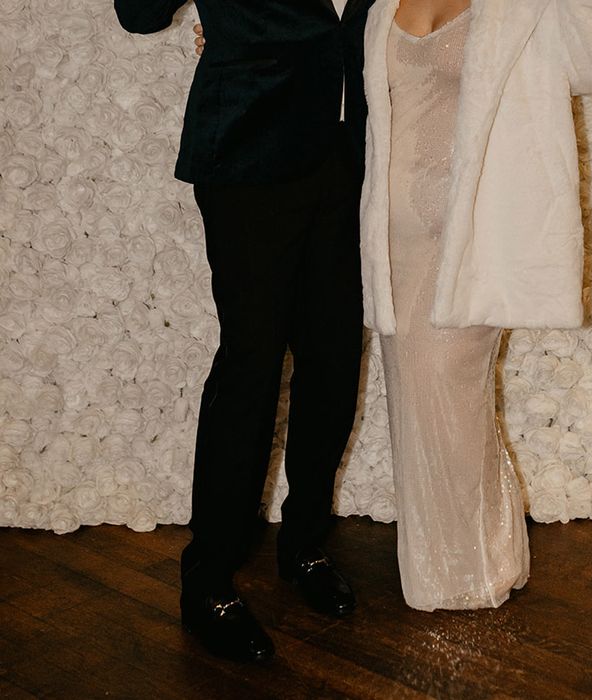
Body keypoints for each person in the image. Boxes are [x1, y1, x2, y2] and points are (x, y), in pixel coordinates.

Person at [113, 0, 375, 662]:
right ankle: (209, 577)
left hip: (350, 154)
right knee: (252, 364)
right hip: (249, 147)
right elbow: (140, 13)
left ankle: (304, 543)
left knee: (335, 355)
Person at [359, 0, 592, 610]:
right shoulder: (379, 5)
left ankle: (461, 574)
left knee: (448, 390)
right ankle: (485, 552)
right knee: (417, 399)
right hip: (395, 241)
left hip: (475, 238)